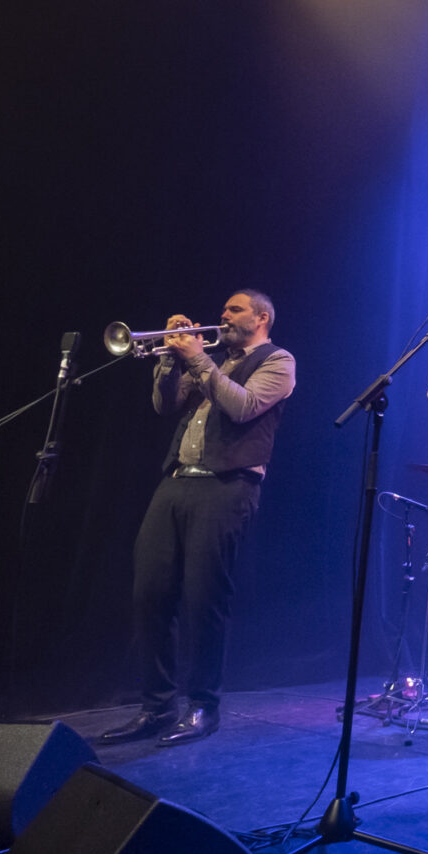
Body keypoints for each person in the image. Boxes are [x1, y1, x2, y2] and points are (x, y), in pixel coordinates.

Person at [101, 291, 296, 747]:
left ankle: (204, 706)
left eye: (233, 310)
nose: (222, 316)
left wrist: (197, 360)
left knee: (204, 598)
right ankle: (157, 707)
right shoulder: (209, 358)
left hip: (227, 486)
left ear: (261, 317)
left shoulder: (278, 360)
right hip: (176, 481)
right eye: (224, 310)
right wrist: (171, 359)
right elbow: (164, 405)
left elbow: (243, 406)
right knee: (149, 592)